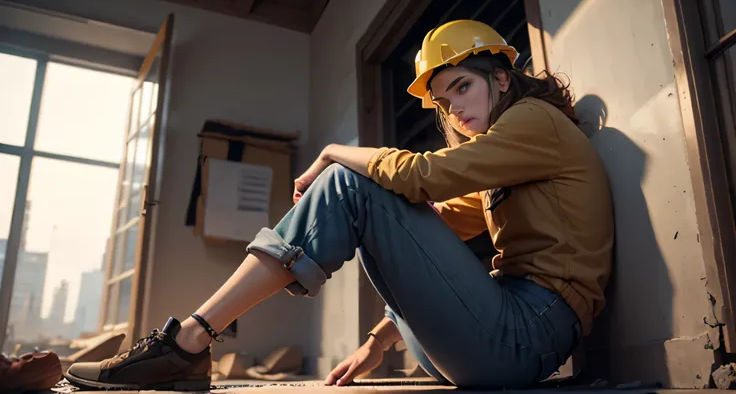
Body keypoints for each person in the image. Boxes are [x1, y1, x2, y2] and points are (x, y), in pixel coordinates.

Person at [63, 19, 613, 390]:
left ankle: (187, 341)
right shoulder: (506, 153)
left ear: (500, 76)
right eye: (444, 101)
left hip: (526, 334)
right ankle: (189, 341)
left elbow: (422, 177)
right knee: (376, 196)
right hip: (499, 336)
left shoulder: (533, 123)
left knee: (355, 182)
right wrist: (377, 344)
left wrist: (331, 152)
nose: (454, 109)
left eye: (462, 87)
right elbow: (426, 237)